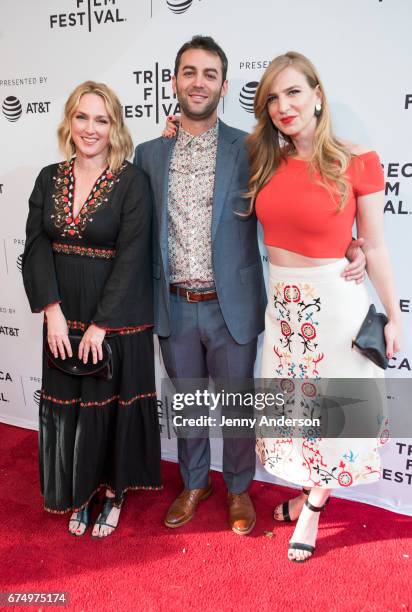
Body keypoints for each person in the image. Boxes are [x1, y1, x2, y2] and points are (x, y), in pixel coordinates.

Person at [135, 35, 365, 535]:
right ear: (174, 81)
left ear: (222, 85)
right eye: (189, 72)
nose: (199, 82)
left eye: (210, 74)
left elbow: (307, 187)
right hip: (174, 305)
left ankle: (238, 488)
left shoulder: (252, 147)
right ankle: (195, 483)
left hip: (232, 306)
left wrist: (352, 243)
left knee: (238, 407)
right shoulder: (149, 153)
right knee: (189, 401)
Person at [248, 52, 402, 561]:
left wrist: (396, 314)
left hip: (334, 308)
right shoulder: (265, 159)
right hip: (282, 307)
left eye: (293, 92)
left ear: (317, 94)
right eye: (272, 98)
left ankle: (313, 507)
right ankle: (307, 488)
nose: (282, 106)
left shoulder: (358, 160)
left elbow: (374, 245)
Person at [22, 81, 161, 538]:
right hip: (64, 315)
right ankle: (79, 495)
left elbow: (133, 256)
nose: (91, 128)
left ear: (115, 127)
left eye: (102, 120)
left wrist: (102, 324)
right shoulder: (49, 177)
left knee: (111, 409)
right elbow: (38, 246)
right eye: (82, 117)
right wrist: (51, 311)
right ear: (69, 120)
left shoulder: (131, 181)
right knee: (72, 411)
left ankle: (115, 494)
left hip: (115, 318)